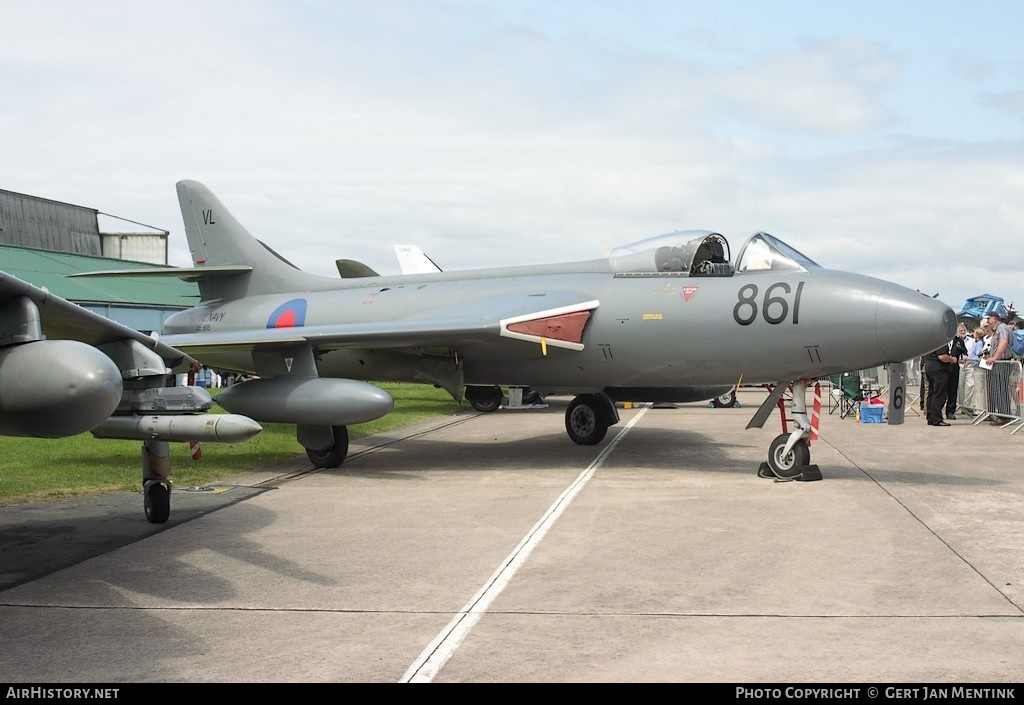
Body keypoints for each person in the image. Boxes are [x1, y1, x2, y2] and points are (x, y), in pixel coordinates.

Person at [981, 312, 1014, 426]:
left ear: (994, 319)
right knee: (997, 389)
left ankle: (1004, 416)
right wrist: (990, 356)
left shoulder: (1002, 328)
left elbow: (1004, 342)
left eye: (988, 319)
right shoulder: (998, 329)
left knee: (1000, 390)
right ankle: (1002, 414)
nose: (987, 321)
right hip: (998, 363)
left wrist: (994, 357)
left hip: (1002, 363)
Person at [922, 344, 956, 426]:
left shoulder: (932, 341)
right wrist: (952, 359)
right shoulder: (941, 342)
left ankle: (931, 418)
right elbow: (942, 357)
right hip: (939, 369)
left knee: (931, 393)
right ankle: (937, 419)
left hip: (929, 367)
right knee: (939, 394)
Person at [945, 324, 969, 419]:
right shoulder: (943, 340)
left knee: (953, 390)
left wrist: (965, 355)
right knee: (941, 390)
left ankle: (950, 412)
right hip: (943, 367)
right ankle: (937, 411)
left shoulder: (959, 341)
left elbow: (964, 351)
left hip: (954, 368)